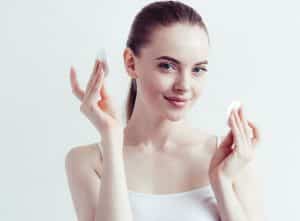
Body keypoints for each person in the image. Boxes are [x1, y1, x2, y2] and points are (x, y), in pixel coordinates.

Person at [65, 1, 266, 221]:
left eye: (198, 69)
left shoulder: (234, 161)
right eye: (167, 66)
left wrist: (223, 183)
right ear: (131, 63)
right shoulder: (88, 161)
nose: (184, 85)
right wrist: (112, 141)